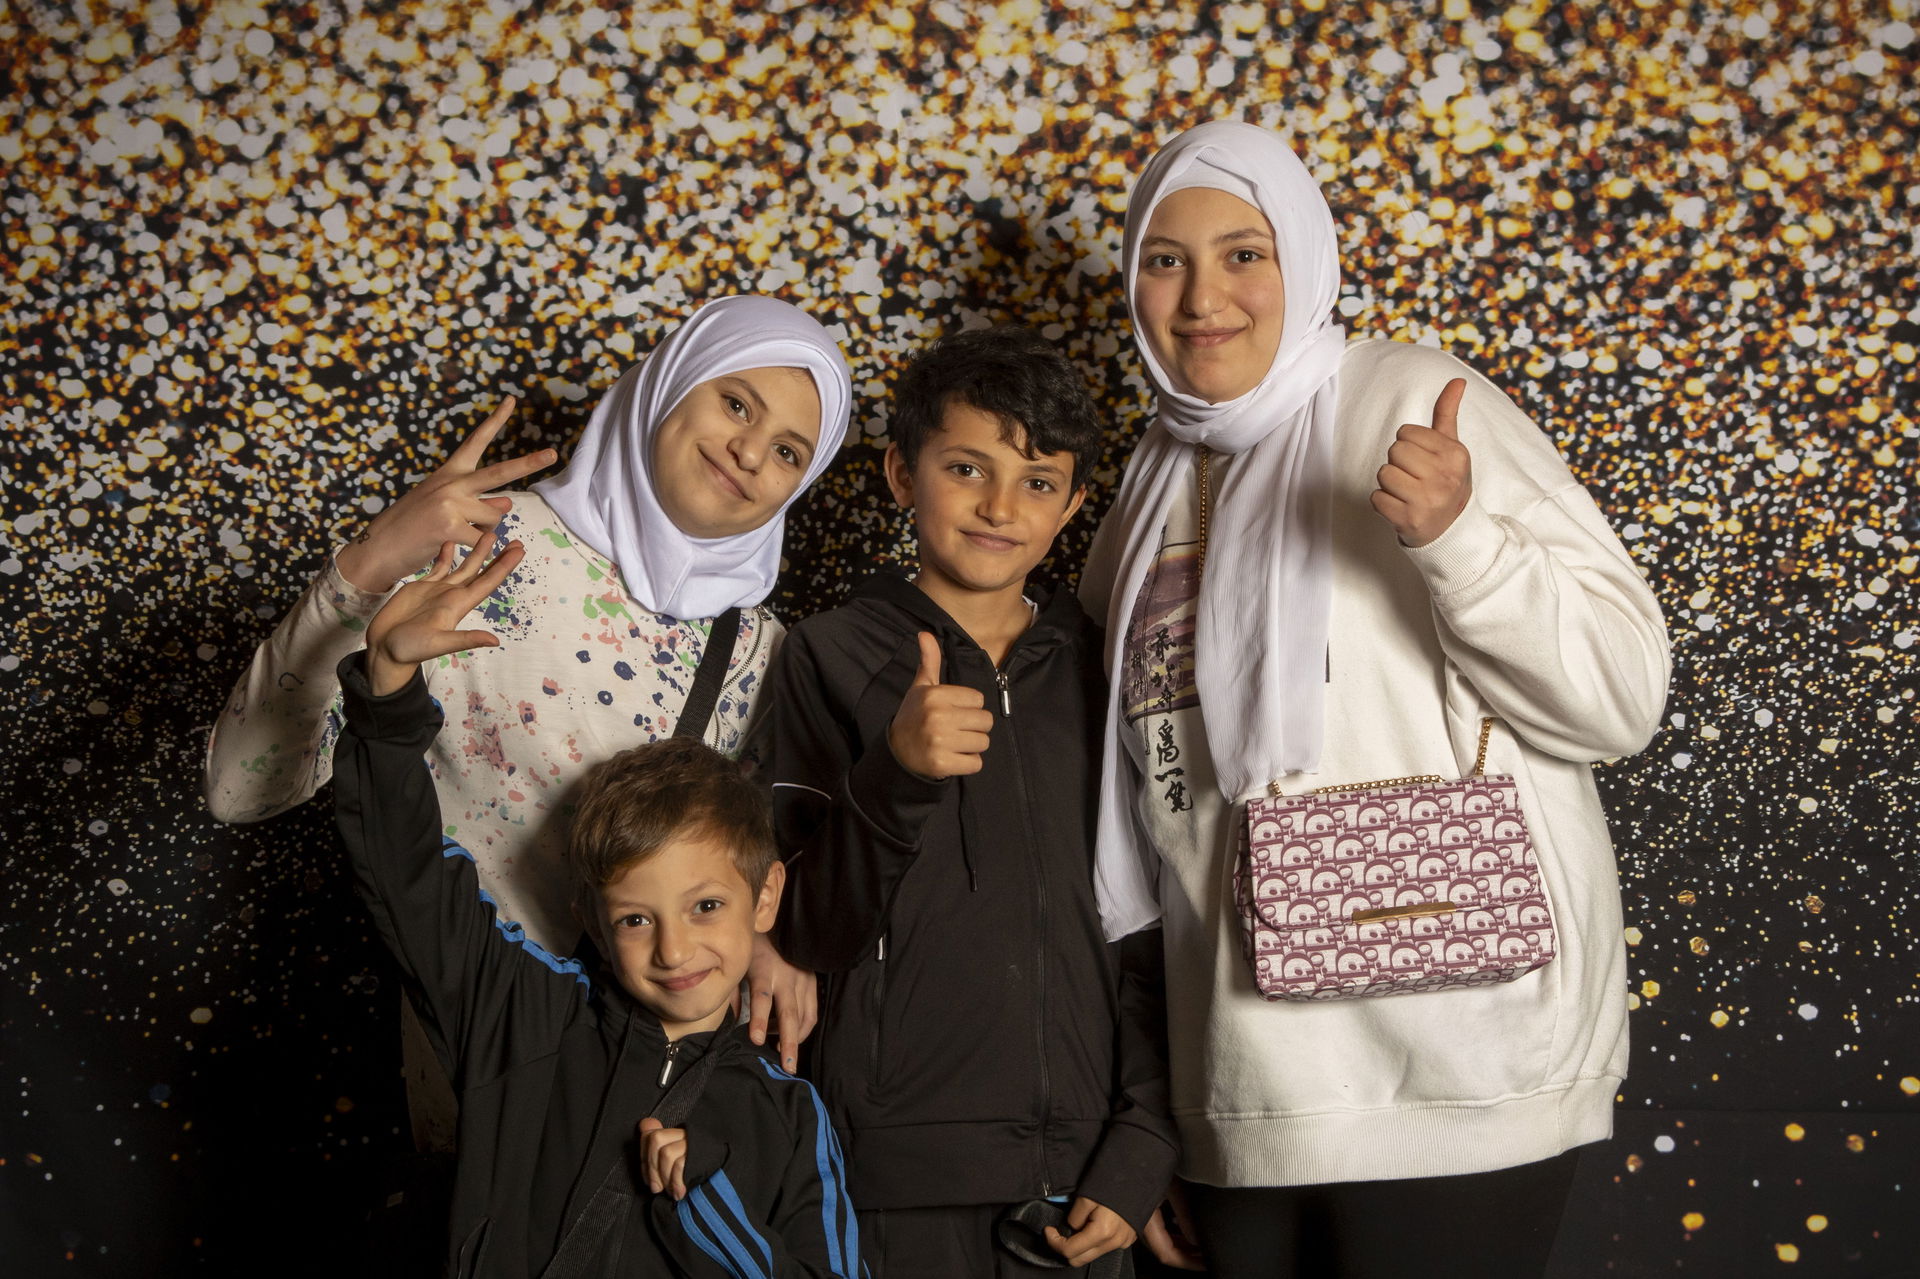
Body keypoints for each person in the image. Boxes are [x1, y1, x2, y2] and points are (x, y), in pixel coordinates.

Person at [1079, 121, 1672, 1278]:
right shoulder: (1142, 494)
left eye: (1244, 252)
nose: (1204, 296)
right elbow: (1158, 820)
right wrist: (1160, 1123)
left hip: (1459, 1065)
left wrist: (1463, 542)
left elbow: (1620, 697)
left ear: (1304, 257)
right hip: (1245, 1092)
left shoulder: (1413, 397)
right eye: (1165, 259)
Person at [205, 295, 852, 1150]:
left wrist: (782, 938)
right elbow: (239, 790)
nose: (748, 451)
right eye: (736, 402)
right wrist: (370, 563)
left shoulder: (766, 651)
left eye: (788, 452)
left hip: (664, 1096)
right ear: (670, 382)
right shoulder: (488, 549)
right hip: (485, 1051)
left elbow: (753, 868)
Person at [746, 326, 1181, 1278]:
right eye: (966, 467)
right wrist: (897, 770)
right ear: (902, 473)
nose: (999, 505)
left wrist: (1145, 1134)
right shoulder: (827, 655)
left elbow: (1150, 912)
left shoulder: (1110, 663)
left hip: (1084, 1175)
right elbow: (803, 930)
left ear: (1072, 505)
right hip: (896, 1174)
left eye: (1037, 481)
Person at [333, 530, 862, 1276]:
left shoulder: (792, 1116)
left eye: (706, 906)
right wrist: (388, 688)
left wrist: (709, 1208)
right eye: (636, 919)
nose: (674, 950)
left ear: (766, 894)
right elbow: (407, 876)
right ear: (594, 921)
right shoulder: (522, 1016)